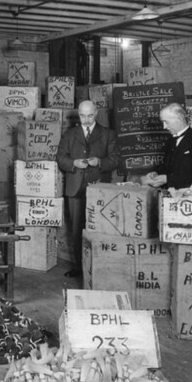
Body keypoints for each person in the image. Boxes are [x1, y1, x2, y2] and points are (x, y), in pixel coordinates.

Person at [55, 100, 119, 278]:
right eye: (82, 115)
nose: (86, 119)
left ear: (96, 112)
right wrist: (73, 163)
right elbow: (60, 158)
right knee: (76, 230)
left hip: (99, 188)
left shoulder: (108, 134)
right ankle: (79, 268)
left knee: (98, 229)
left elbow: (115, 159)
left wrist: (99, 162)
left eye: (90, 115)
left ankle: (98, 268)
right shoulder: (69, 134)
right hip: (75, 189)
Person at [140, 102, 192, 189]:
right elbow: (168, 168)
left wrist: (168, 179)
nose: (164, 127)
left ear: (180, 119)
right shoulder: (171, 141)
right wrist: (156, 174)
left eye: (166, 122)